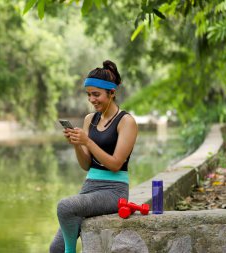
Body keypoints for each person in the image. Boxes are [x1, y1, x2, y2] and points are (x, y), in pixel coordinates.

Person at [49, 60, 138, 253]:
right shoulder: (91, 119)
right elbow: (87, 164)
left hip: (114, 192)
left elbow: (115, 164)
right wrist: (77, 144)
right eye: (89, 94)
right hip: (90, 187)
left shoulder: (126, 122)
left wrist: (88, 142)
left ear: (112, 93)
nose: (92, 99)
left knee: (65, 206)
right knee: (55, 248)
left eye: (96, 94)